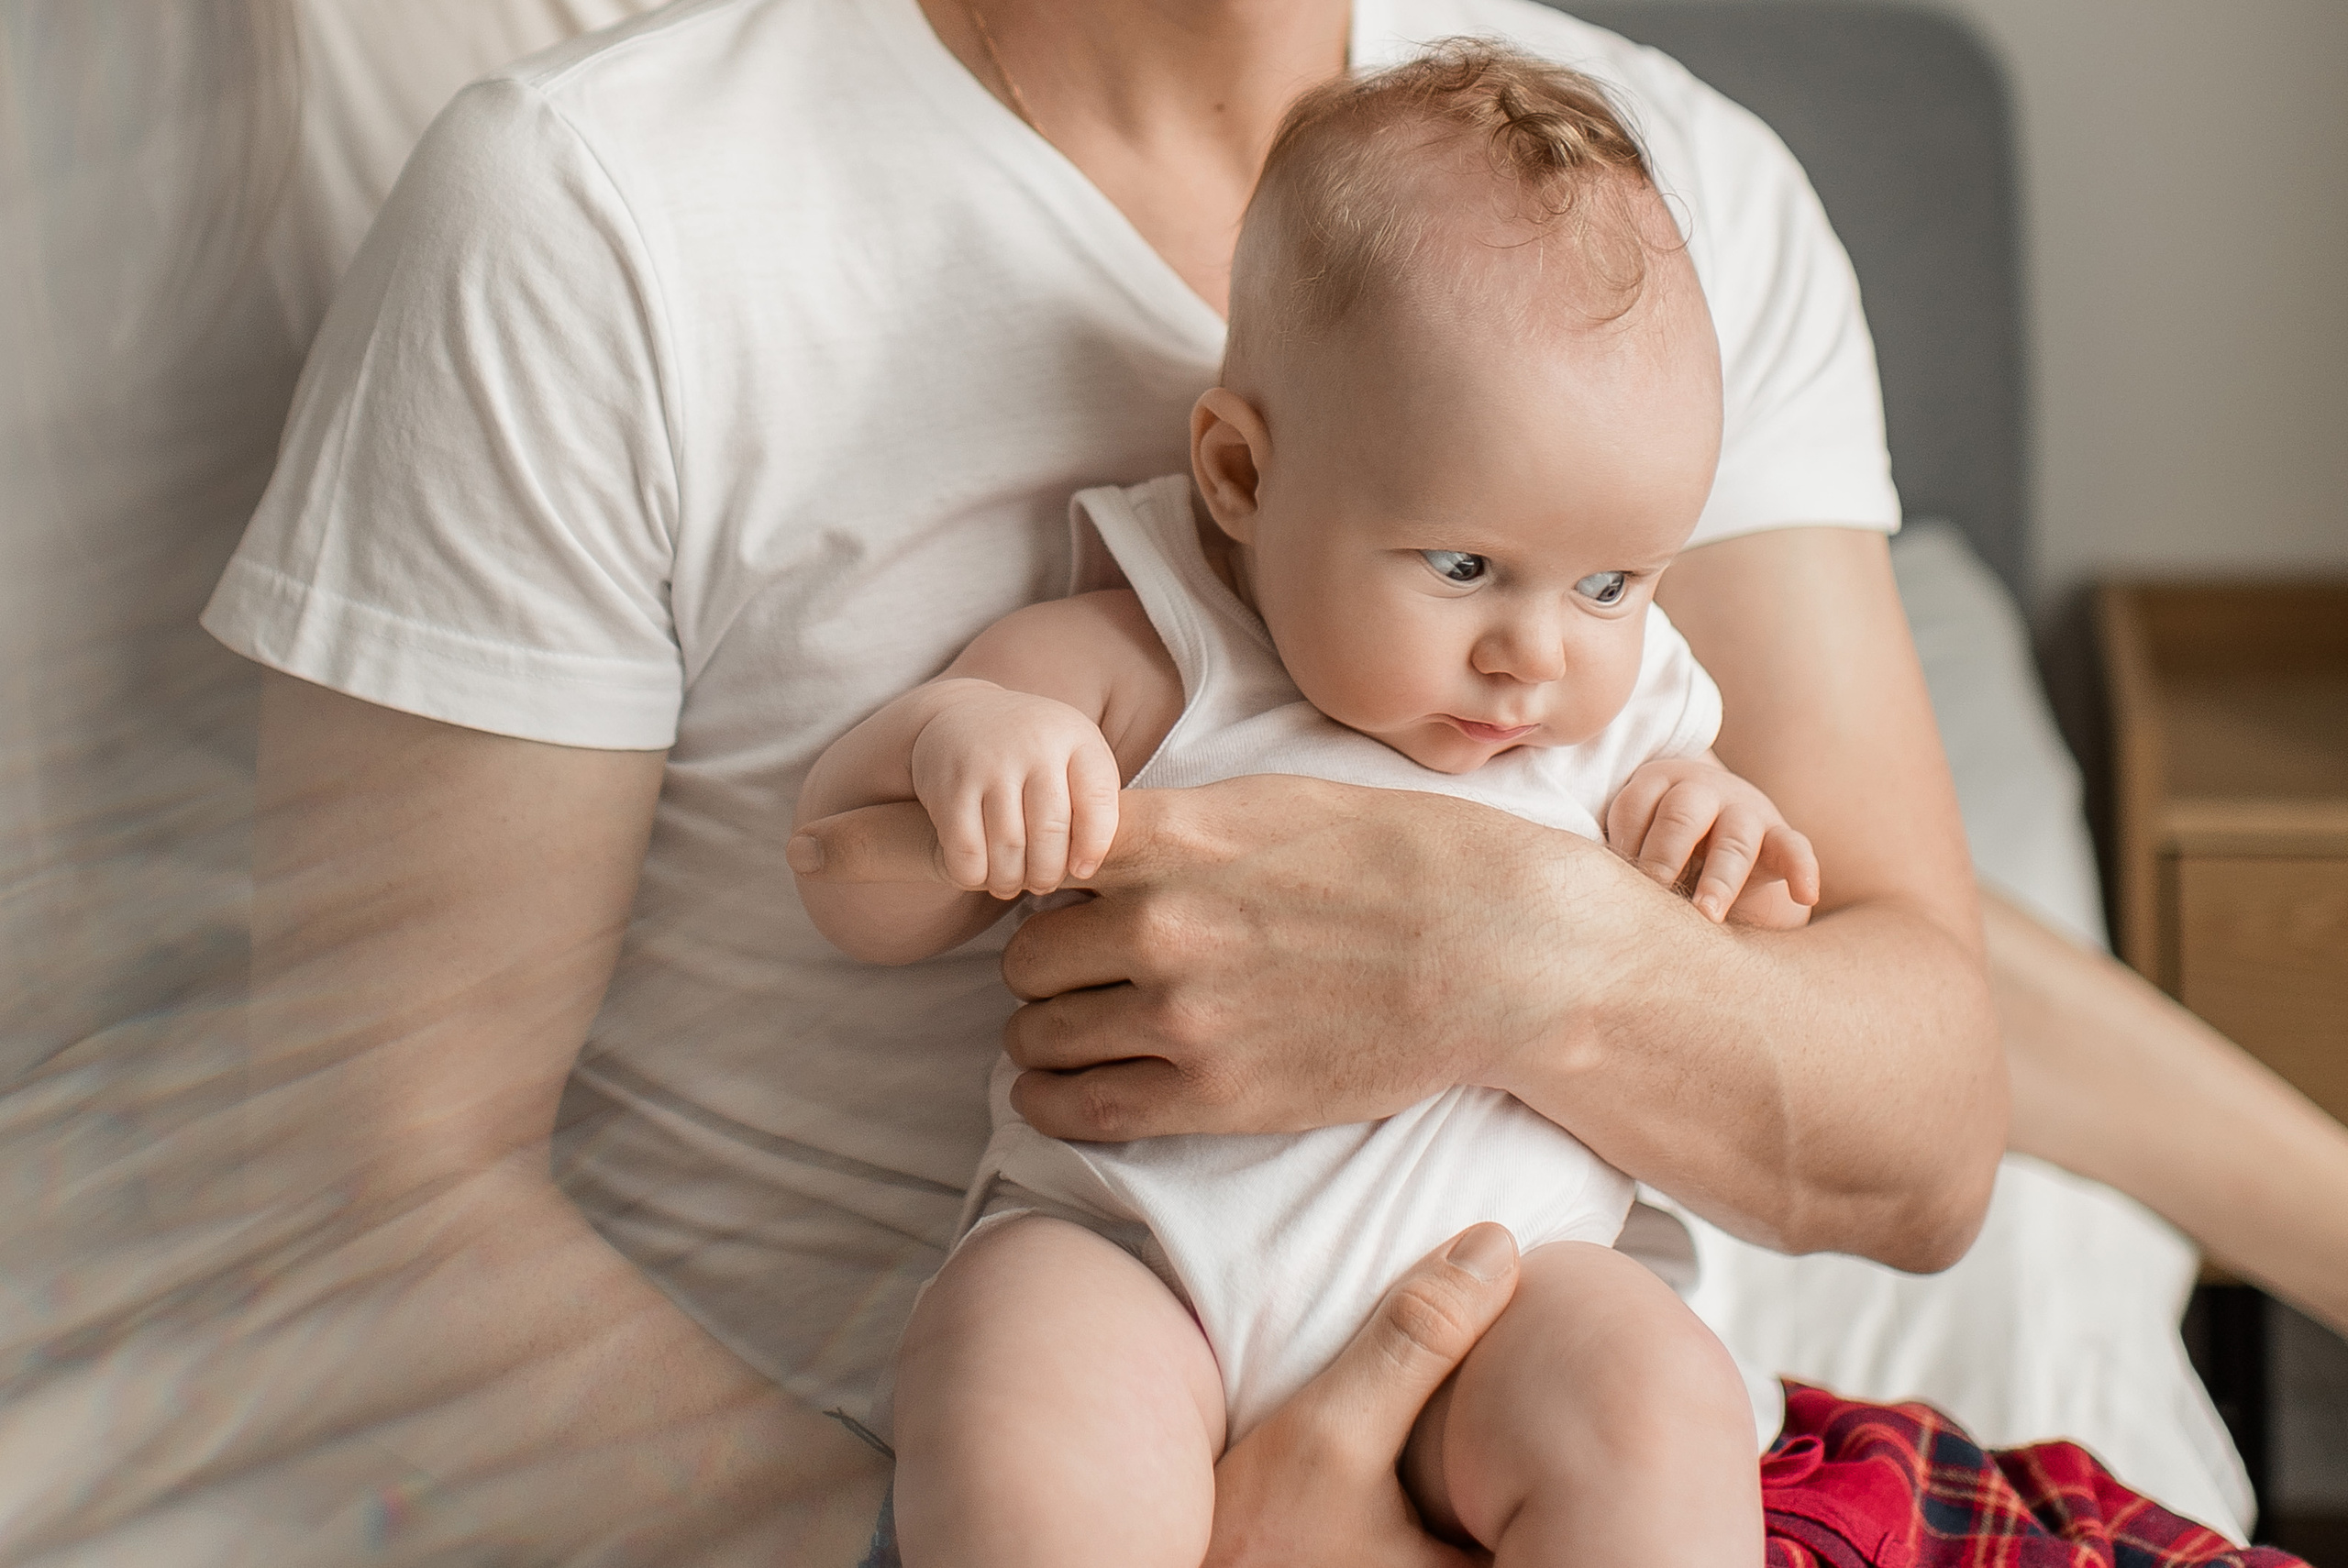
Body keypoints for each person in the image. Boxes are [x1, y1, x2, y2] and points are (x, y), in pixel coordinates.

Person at [48, 0, 2312, 1562]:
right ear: (1231, 470)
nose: (1529, 642)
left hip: (1546, 1403)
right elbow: (366, 1202)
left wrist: (1511, 956)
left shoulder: (1658, 212)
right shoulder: (602, 215)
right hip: (982, 1431)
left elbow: (1908, 1107)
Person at [795, 48, 1820, 1566]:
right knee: (1014, 1373)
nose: (1535, 653)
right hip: (1140, 1264)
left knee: (1658, 1399)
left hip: (1503, 1295)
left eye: (1610, 583)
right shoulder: (1150, 658)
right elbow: (850, 885)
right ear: (1240, 476)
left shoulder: (1634, 719)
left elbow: (1745, 969)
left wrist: (1725, 834)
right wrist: (966, 748)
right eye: (1464, 566)